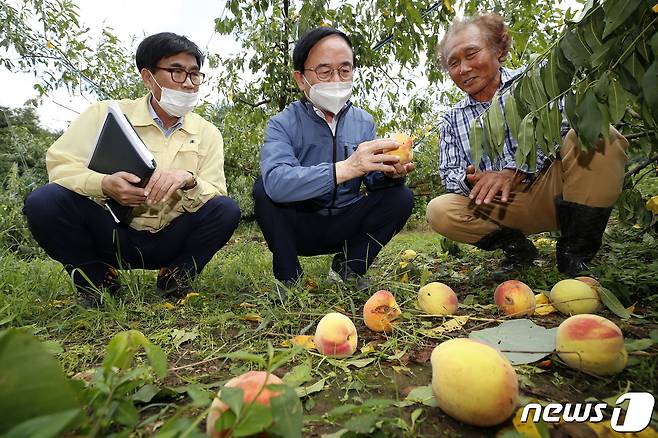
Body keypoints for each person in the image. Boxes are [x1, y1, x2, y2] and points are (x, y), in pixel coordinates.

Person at [23, 32, 240, 307]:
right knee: (44, 201)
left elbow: (216, 192)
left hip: (172, 234)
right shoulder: (106, 115)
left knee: (226, 209)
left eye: (194, 74)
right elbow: (60, 165)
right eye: (176, 72)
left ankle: (176, 274)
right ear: (148, 77)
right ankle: (97, 278)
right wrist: (103, 184)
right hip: (114, 231)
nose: (188, 83)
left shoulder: (207, 133)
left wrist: (188, 180)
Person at [426, 14, 629, 279]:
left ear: (499, 50)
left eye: (471, 54)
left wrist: (516, 170)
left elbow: (564, 128)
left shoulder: (532, 81)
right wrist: (469, 178)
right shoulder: (452, 120)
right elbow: (448, 173)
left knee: (600, 136)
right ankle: (518, 249)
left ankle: (576, 254)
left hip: (559, 190)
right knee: (439, 210)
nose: (463, 68)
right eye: (453, 63)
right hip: (503, 205)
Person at [253, 27, 415, 302]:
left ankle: (348, 268)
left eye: (345, 70)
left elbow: (374, 182)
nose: (337, 81)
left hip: (345, 222)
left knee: (400, 197)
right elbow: (278, 182)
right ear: (301, 79)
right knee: (264, 189)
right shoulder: (282, 124)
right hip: (301, 225)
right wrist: (347, 168)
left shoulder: (363, 121)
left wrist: (390, 173)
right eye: (325, 72)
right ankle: (288, 276)